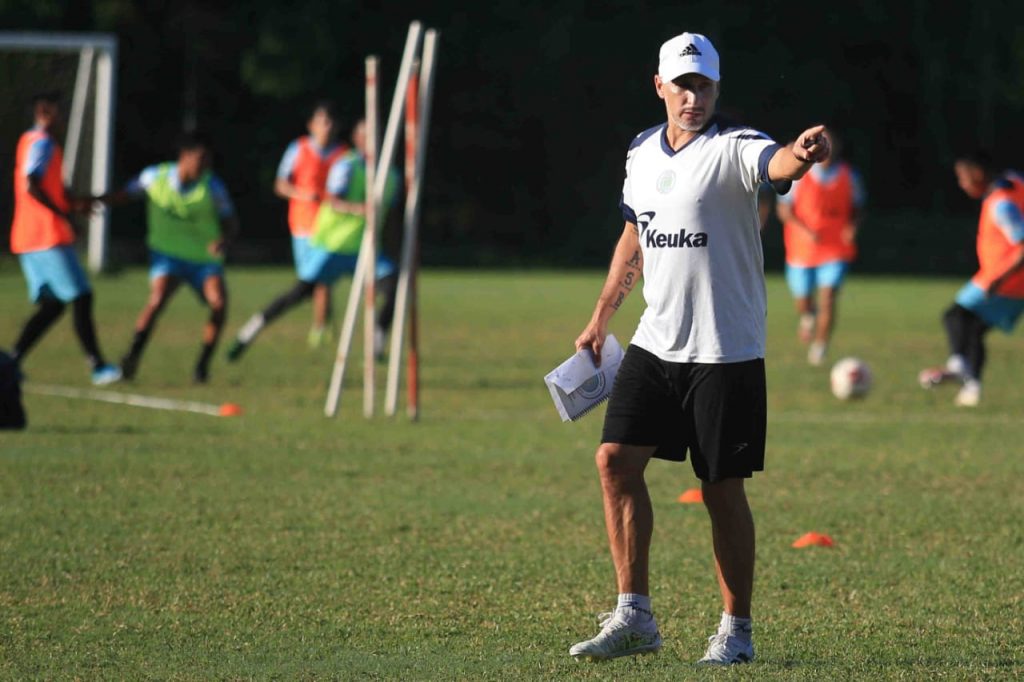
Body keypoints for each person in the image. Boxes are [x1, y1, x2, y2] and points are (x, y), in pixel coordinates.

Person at [569, 32, 830, 665]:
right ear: (659, 86)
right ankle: (635, 617)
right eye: (683, 85)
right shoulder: (640, 152)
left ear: (717, 88)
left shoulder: (734, 145)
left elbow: (775, 165)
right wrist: (602, 315)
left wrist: (799, 155)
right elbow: (635, 234)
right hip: (655, 343)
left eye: (704, 85)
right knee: (614, 461)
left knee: (720, 489)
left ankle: (736, 630)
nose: (694, 97)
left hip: (725, 351)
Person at [226, 119, 398, 362]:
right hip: (332, 246)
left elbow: (390, 215)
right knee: (299, 293)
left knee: (394, 286)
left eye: (376, 136)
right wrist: (359, 209)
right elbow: (333, 199)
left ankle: (377, 343)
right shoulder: (346, 165)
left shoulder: (391, 175)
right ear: (357, 139)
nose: (373, 141)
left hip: (365, 249)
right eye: (367, 135)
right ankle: (249, 332)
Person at [93, 131, 239, 383]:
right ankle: (132, 357)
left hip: (203, 259)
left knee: (219, 303)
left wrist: (224, 240)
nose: (205, 165)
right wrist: (93, 202)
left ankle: (201, 367)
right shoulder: (154, 177)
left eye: (208, 160)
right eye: (201, 158)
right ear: (184, 156)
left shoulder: (213, 186)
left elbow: (231, 222)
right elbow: (124, 195)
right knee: (157, 298)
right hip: (168, 256)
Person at [8, 92, 121, 386]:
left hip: (28, 237)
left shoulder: (29, 140)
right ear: (45, 112)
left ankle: (12, 361)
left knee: (54, 305)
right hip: (45, 236)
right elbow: (32, 185)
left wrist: (74, 204)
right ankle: (97, 366)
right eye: (60, 112)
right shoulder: (42, 143)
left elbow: (47, 188)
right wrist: (65, 216)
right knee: (81, 295)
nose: (63, 119)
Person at [919, 151, 1024, 407]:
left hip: (1005, 280)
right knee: (975, 329)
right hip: (1010, 281)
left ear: (977, 174)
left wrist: (999, 279)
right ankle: (972, 388)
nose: (962, 184)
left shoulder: (1001, 205)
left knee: (954, 316)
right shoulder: (1013, 182)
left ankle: (958, 367)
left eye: (963, 177)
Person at [775, 131, 865, 365]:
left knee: (828, 298)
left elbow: (858, 208)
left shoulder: (849, 176)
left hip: (835, 248)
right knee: (804, 301)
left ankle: (820, 345)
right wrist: (804, 231)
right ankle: (807, 316)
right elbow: (784, 210)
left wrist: (852, 227)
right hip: (802, 249)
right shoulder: (799, 174)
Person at [273, 102, 348, 347]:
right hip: (302, 223)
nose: (327, 127)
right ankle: (324, 324)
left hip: (330, 225)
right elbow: (280, 185)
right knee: (310, 279)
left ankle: (320, 328)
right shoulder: (298, 149)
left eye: (331, 122)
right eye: (322, 122)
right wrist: (303, 194)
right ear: (311, 125)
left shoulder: (343, 154)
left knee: (321, 278)